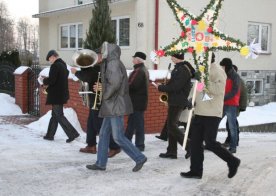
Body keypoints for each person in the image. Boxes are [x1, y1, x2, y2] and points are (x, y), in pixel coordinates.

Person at [86, 42, 147, 172]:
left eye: (98, 54)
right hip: (111, 105)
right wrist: (102, 88)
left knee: (118, 136)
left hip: (115, 105)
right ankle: (101, 163)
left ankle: (139, 157)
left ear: (106, 53)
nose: (97, 57)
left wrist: (102, 92)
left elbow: (114, 85)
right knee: (103, 134)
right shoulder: (109, 63)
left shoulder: (113, 63)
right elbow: (112, 83)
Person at [180, 53, 241, 179]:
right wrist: (190, 99)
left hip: (212, 113)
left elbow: (218, 91)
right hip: (200, 112)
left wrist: (204, 79)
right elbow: (198, 88)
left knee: (210, 143)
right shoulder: (202, 71)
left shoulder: (219, 71)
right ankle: (196, 171)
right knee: (195, 143)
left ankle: (232, 161)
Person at [70, 53, 120, 156]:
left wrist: (76, 73)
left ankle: (114, 147)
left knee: (101, 126)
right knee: (91, 124)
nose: (97, 58)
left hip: (102, 102)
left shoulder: (106, 67)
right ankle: (91, 145)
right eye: (96, 56)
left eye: (99, 56)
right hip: (95, 101)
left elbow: (88, 77)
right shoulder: (96, 67)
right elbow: (89, 74)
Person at [154, 53, 194, 159]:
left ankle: (189, 146)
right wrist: (163, 85)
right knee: (171, 126)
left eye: (172, 56)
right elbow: (174, 84)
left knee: (172, 126)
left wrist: (162, 88)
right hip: (174, 100)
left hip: (178, 101)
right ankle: (172, 151)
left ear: (177, 58)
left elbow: (177, 86)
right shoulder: (178, 68)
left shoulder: (183, 70)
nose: (171, 58)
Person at [42, 50, 80, 143]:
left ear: (53, 56)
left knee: (59, 115)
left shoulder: (55, 65)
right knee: (54, 115)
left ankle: (72, 133)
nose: (50, 61)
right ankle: (50, 135)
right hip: (61, 94)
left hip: (56, 95)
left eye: (50, 59)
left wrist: (44, 80)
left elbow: (52, 80)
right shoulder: (63, 65)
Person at [125, 52, 149, 152]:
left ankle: (140, 145)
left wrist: (122, 86)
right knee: (132, 122)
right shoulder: (142, 69)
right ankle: (126, 141)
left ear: (138, 60)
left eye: (134, 58)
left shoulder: (139, 71)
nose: (132, 59)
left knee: (138, 124)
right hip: (138, 101)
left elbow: (132, 85)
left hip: (137, 102)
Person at [223, 64, 248, 147]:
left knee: (231, 124)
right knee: (231, 124)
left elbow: (244, 94)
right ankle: (232, 141)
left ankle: (232, 141)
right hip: (227, 104)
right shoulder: (228, 79)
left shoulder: (238, 81)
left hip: (235, 105)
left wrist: (242, 106)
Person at [220, 58, 241, 153]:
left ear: (226, 66)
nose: (222, 68)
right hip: (223, 103)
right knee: (214, 122)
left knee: (232, 127)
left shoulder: (235, 76)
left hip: (231, 104)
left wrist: (223, 97)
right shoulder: (224, 74)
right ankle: (210, 143)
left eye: (223, 66)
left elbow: (234, 91)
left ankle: (233, 147)